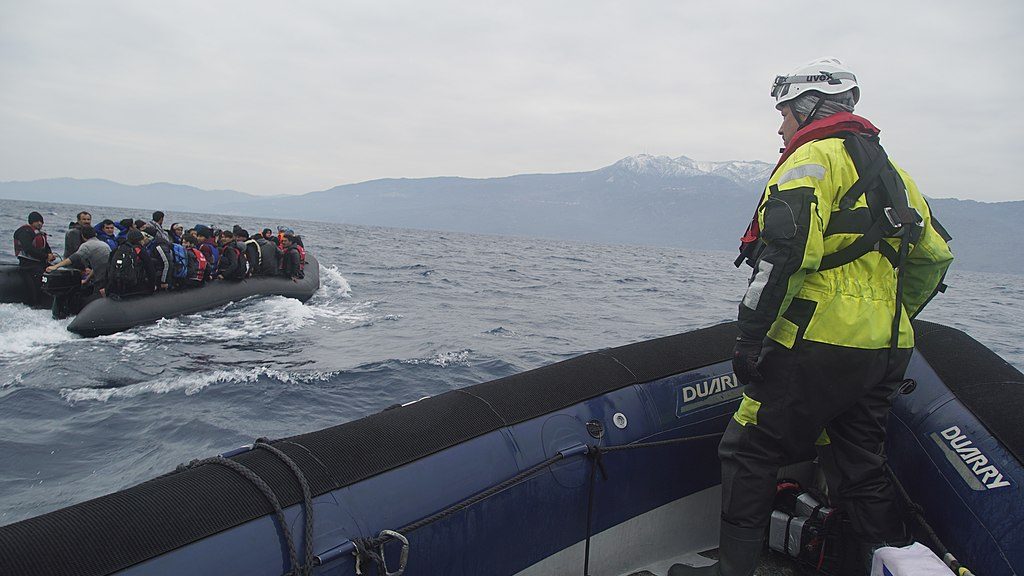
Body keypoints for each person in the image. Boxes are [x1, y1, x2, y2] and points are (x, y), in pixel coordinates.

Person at [669, 59, 954, 576]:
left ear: (809, 109)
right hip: (887, 347)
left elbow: (784, 255)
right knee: (859, 463)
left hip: (816, 338)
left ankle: (731, 572)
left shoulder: (812, 161)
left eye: (783, 114)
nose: (780, 127)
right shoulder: (899, 176)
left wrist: (749, 338)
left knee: (748, 450)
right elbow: (935, 258)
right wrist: (891, 314)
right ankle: (887, 564)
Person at [12, 211, 57, 306]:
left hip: (39, 262)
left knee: (54, 272)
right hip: (27, 264)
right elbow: (28, 248)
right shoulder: (24, 232)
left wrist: (50, 255)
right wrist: (45, 256)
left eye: (41, 221)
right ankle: (35, 302)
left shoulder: (40, 233)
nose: (40, 223)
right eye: (37, 221)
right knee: (36, 282)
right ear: (31, 222)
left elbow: (46, 247)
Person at [46, 226, 111, 289]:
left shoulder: (87, 245)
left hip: (101, 280)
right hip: (109, 277)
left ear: (82, 235)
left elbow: (73, 258)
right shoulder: (104, 244)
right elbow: (98, 266)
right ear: (95, 234)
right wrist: (86, 280)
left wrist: (56, 266)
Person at [105, 229, 156, 297]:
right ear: (140, 240)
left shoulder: (118, 249)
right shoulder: (139, 250)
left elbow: (108, 268)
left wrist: (106, 287)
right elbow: (150, 269)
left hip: (117, 287)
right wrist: (151, 287)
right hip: (135, 286)